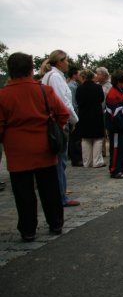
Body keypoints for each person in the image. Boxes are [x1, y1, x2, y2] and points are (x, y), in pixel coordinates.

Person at [0, 52, 68, 241]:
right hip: (44, 147)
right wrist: (53, 127)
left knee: (24, 193)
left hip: (17, 152)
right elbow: (63, 113)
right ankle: (56, 223)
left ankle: (28, 229)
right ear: (31, 69)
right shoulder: (43, 91)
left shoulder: (3, 95)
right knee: (50, 188)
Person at [41, 50, 80, 207]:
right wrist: (74, 120)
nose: (68, 63)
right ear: (59, 61)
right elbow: (62, 102)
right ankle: (60, 196)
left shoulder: (49, 76)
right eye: (66, 60)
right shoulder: (55, 77)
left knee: (57, 161)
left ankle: (59, 191)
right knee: (60, 161)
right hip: (59, 123)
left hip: (54, 122)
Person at [76, 70, 106, 168]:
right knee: (97, 138)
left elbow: (77, 101)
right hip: (96, 115)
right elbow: (101, 99)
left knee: (85, 139)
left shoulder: (79, 88)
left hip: (84, 116)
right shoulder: (98, 87)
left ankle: (87, 161)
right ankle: (97, 161)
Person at [105, 70, 123, 179]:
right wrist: (122, 124)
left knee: (121, 147)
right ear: (119, 82)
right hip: (116, 127)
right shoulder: (113, 94)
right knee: (115, 148)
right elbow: (115, 114)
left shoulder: (120, 91)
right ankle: (114, 169)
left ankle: (120, 166)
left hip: (121, 126)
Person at [67, 66, 83, 166]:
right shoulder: (72, 86)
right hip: (74, 115)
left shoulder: (72, 85)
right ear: (74, 75)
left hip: (74, 114)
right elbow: (73, 103)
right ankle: (76, 158)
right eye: (78, 74)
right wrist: (76, 116)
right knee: (75, 138)